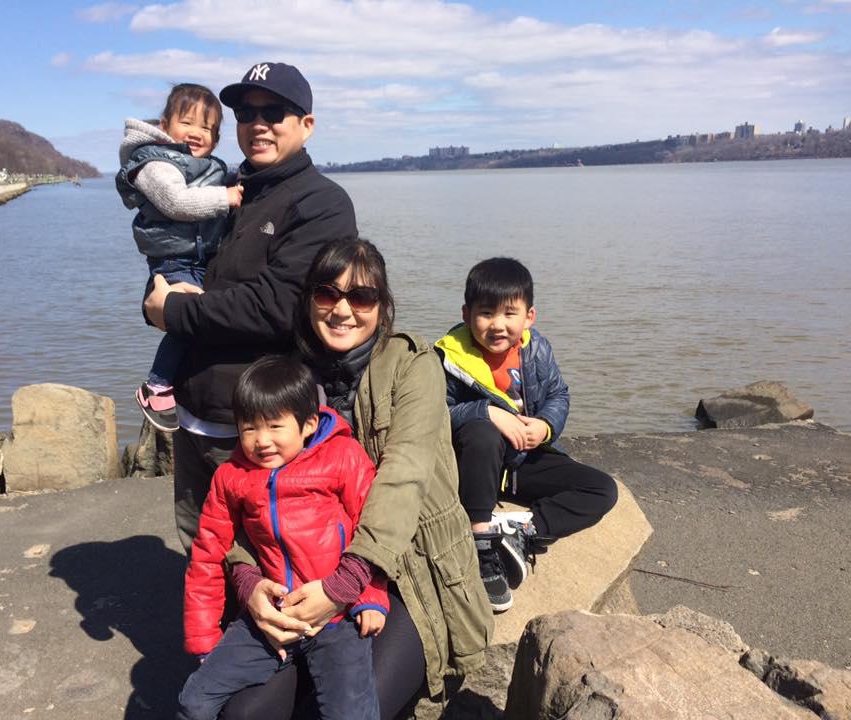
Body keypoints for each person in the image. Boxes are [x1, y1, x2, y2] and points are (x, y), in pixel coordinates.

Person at [218, 238, 494, 720]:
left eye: (362, 297)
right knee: (243, 713)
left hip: (404, 570)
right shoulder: (284, 375)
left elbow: (403, 476)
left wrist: (342, 586)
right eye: (328, 293)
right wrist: (248, 580)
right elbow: (241, 489)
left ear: (382, 306)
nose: (343, 310)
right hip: (297, 567)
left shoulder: (414, 367)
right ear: (309, 299)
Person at [141, 62, 358, 553]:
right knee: (201, 549)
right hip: (193, 414)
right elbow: (173, 262)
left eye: (274, 112)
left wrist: (171, 312)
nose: (258, 123)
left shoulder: (322, 204)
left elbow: (277, 306)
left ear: (306, 124)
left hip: (261, 428)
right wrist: (156, 298)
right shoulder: (220, 191)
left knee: (265, 559)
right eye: (245, 113)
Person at [177, 356, 388, 720]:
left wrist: (370, 597)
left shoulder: (342, 456)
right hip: (271, 616)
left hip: (337, 617)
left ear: (308, 424)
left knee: (350, 714)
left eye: (275, 426)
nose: (262, 441)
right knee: (193, 702)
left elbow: (369, 528)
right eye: (249, 428)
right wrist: (204, 638)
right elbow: (208, 554)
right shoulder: (231, 477)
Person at [434, 257, 618, 613]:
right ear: (467, 314)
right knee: (483, 433)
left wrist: (545, 426)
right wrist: (486, 412)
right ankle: (481, 542)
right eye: (486, 313)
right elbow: (433, 412)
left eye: (509, 313)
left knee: (602, 489)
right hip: (472, 467)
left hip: (521, 463)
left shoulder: (536, 349)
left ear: (529, 316)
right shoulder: (448, 357)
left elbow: (558, 394)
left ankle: (523, 531)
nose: (498, 325)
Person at [115, 83, 243, 432]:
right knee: (188, 317)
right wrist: (226, 197)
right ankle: (156, 384)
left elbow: (221, 181)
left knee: (201, 320)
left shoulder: (204, 164)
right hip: (173, 260)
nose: (197, 132)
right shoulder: (154, 162)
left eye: (207, 128)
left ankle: (179, 380)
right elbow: (176, 202)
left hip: (200, 258)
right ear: (165, 125)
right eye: (187, 122)